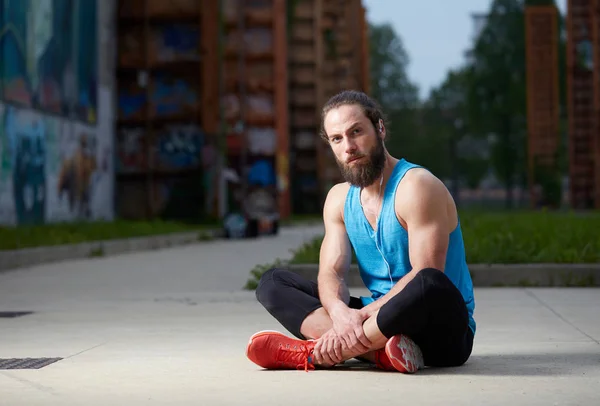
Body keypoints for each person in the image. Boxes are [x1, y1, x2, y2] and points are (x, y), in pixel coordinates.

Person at [245, 90, 476, 373]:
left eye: (356, 132)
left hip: (441, 332)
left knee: (429, 282)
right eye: (337, 138)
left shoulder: (416, 186)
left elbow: (426, 271)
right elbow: (331, 273)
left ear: (380, 128)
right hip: (376, 324)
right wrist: (341, 314)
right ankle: (381, 353)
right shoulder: (339, 199)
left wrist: (359, 318)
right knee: (272, 282)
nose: (348, 147)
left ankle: (319, 352)